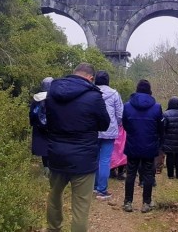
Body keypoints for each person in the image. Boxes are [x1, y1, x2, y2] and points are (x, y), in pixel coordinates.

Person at [45, 63, 110, 232]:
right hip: (83, 159)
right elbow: (104, 124)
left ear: (74, 73)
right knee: (81, 206)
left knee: (54, 195)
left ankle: (53, 228)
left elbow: (46, 120)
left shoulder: (52, 92)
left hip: (57, 154)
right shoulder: (94, 96)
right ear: (90, 78)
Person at [122, 79, 163, 214]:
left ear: (137, 89)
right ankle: (146, 202)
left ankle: (128, 202)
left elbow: (125, 125)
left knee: (131, 173)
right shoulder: (156, 107)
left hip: (133, 144)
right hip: (149, 145)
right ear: (149, 90)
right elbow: (160, 127)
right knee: (148, 174)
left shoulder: (127, 106)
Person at [94, 71, 124, 200]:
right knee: (105, 160)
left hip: (93, 131)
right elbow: (120, 114)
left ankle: (94, 187)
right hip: (109, 131)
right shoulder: (114, 94)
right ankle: (102, 190)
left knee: (94, 159)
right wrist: (117, 124)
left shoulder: (91, 92)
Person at [29, 77, 53, 176]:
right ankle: (51, 170)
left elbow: (31, 113)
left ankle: (45, 169)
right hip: (51, 127)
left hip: (39, 128)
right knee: (51, 148)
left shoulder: (36, 98)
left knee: (43, 149)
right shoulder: (53, 98)